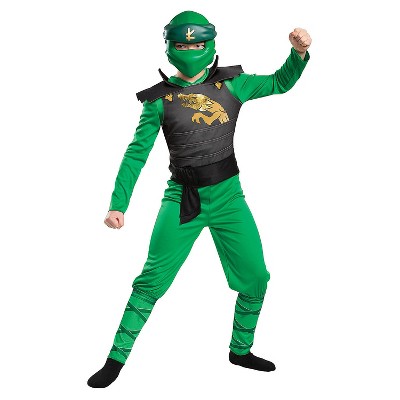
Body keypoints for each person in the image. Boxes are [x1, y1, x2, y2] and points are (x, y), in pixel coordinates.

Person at [88, 10, 311, 388]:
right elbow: (136, 154)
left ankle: (240, 350)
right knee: (151, 281)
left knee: (256, 276)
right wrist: (118, 204)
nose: (190, 50)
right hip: (182, 199)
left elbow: (279, 82)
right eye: (183, 44)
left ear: (209, 44)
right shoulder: (159, 100)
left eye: (197, 44)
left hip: (229, 198)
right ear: (170, 47)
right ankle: (115, 360)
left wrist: (298, 53)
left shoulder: (232, 85)